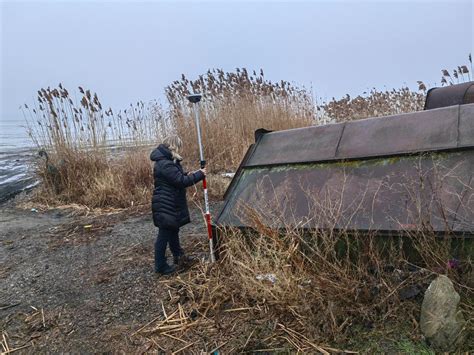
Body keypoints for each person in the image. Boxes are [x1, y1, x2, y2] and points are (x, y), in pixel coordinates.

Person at [150, 135, 206, 275]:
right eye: (179, 147)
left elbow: (176, 177)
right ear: (173, 147)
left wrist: (189, 173)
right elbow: (180, 181)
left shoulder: (166, 162)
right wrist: (199, 175)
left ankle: (178, 257)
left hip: (168, 202)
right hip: (165, 203)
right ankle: (160, 266)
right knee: (164, 235)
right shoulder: (165, 164)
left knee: (173, 230)